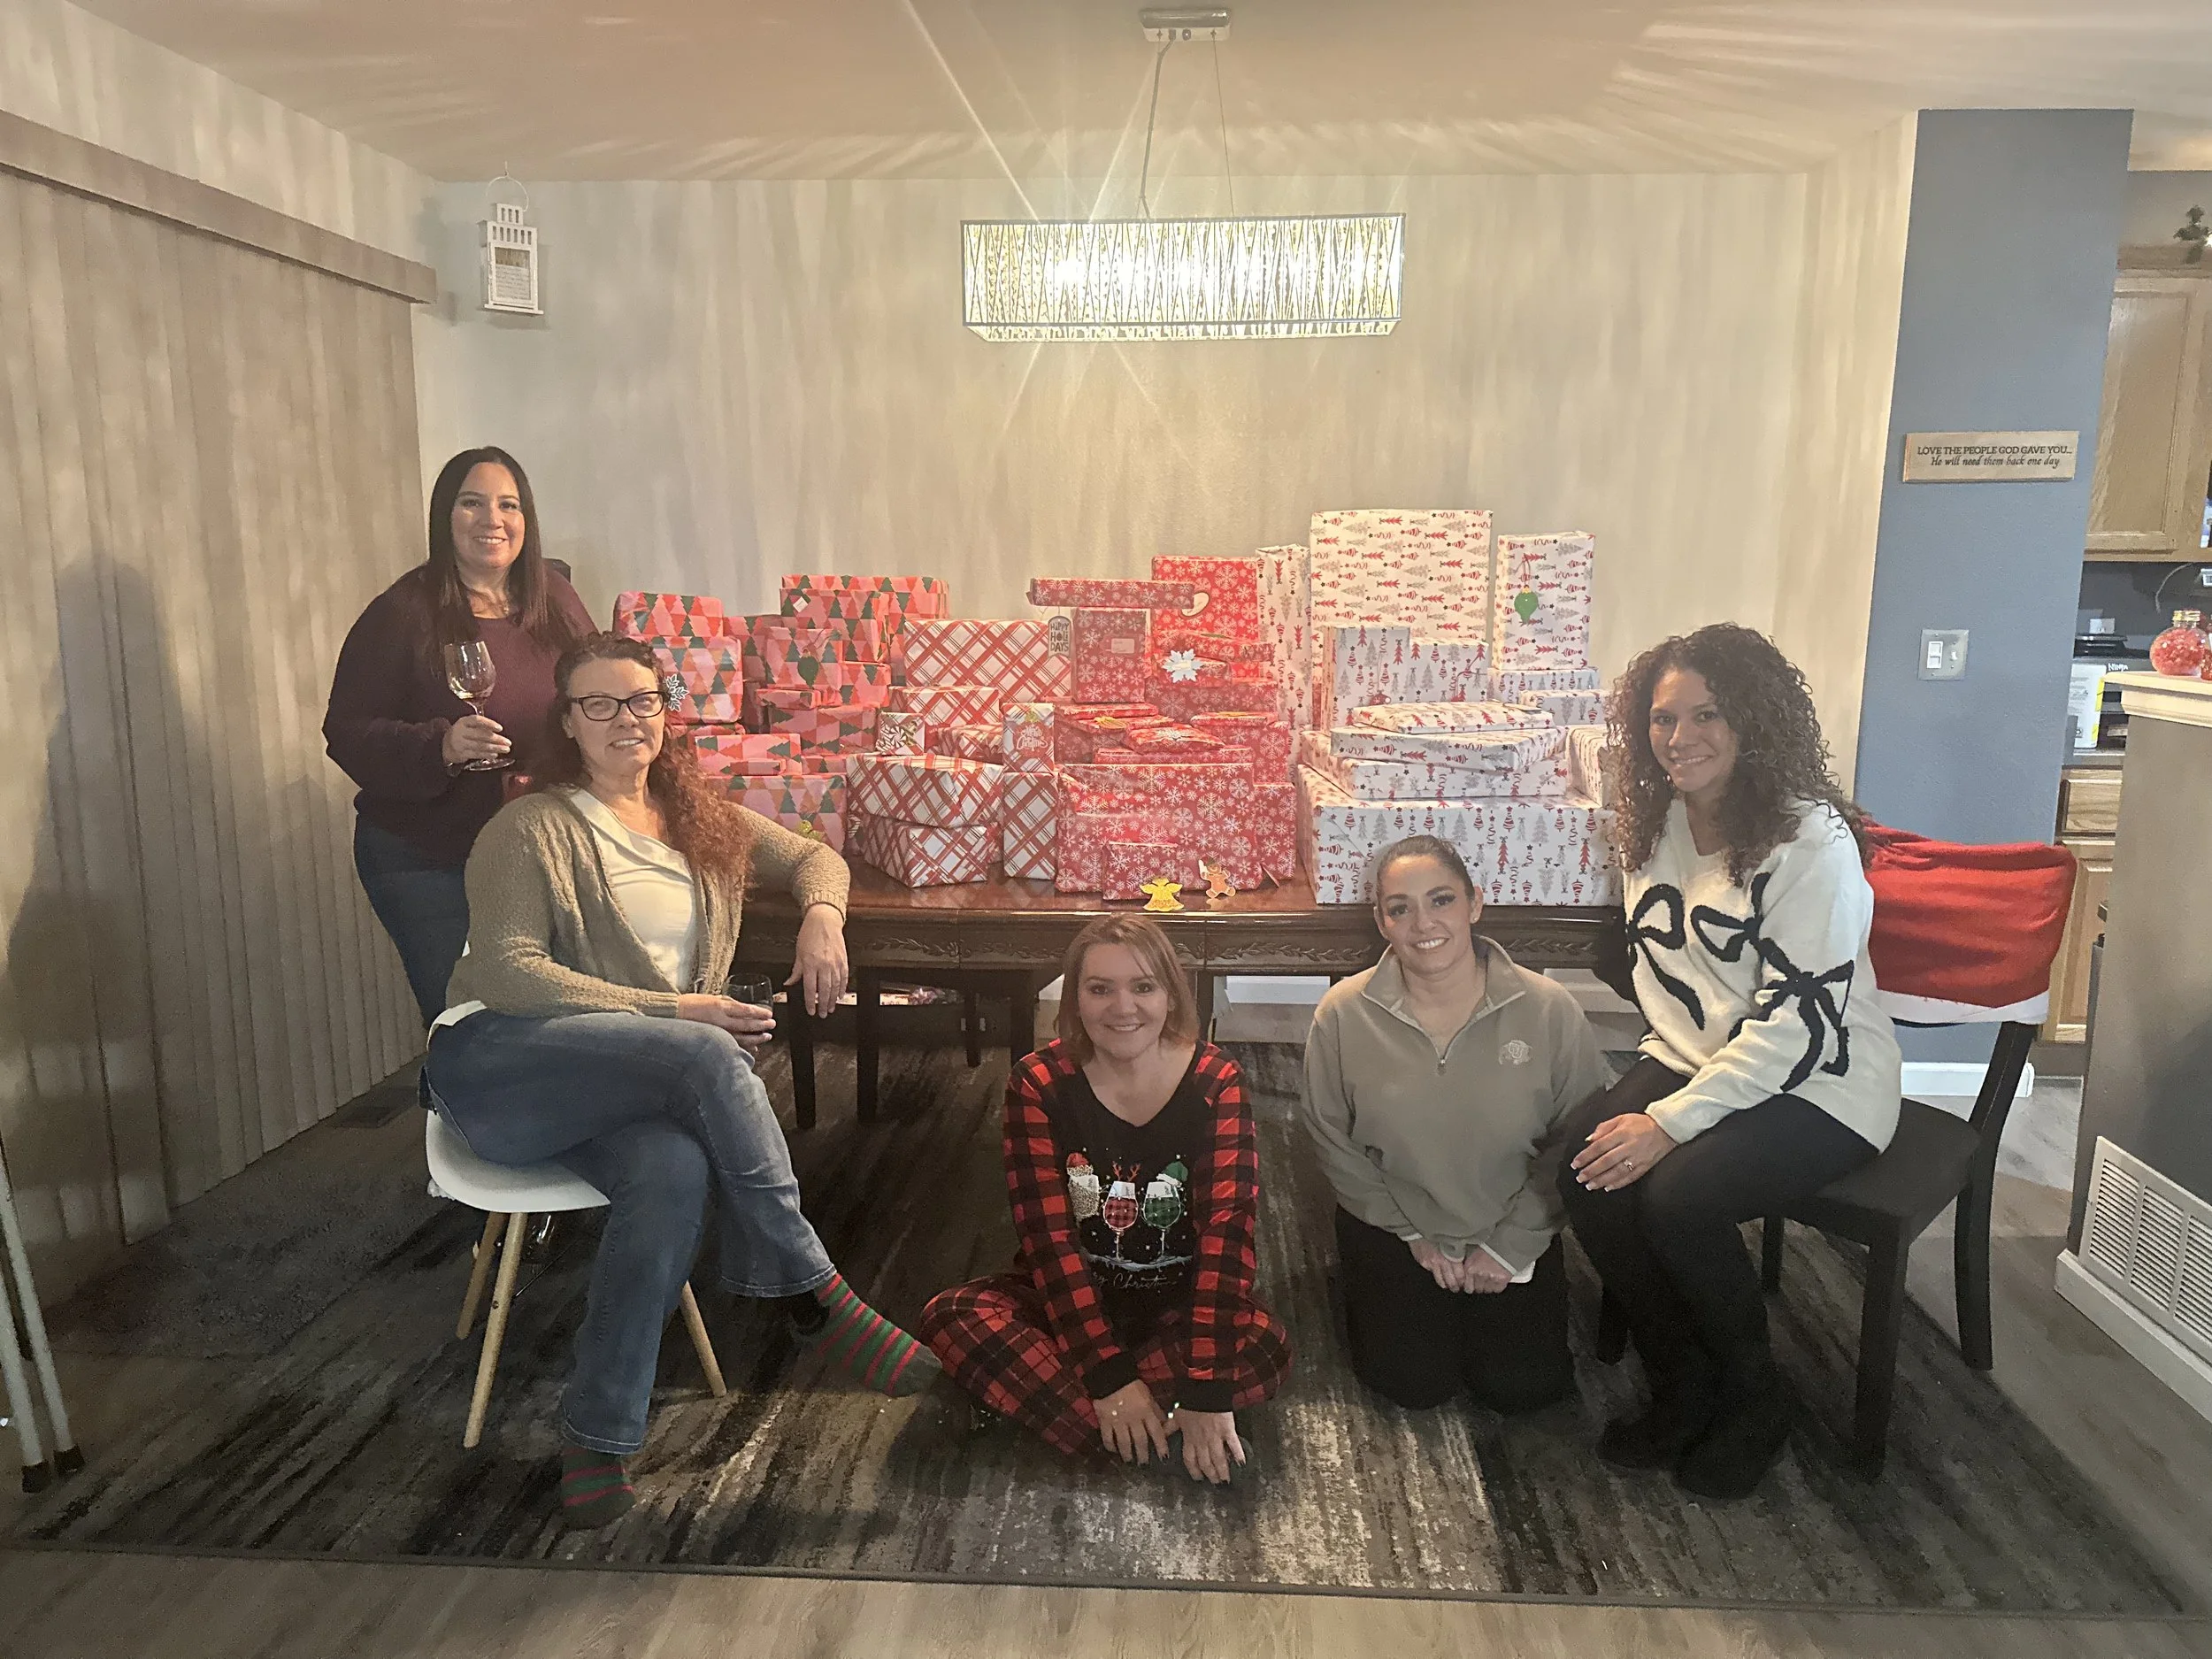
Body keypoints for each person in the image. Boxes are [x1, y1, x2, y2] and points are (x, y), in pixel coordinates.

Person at [423, 633, 938, 1530]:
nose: (626, 719)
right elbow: (505, 973)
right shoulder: (530, 826)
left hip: (625, 1081)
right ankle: (817, 1293)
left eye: (642, 700)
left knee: (671, 1173)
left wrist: (822, 920)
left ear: (666, 712)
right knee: (705, 1052)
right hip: (500, 1065)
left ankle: (596, 1434)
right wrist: (671, 1013)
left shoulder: (700, 817)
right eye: (600, 704)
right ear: (568, 722)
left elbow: (817, 856)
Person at [1557, 622, 1900, 1501]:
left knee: (1676, 1198)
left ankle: (1755, 1398)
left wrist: (1668, 1122)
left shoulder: (1807, 840)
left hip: (1822, 1077)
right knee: (1580, 1167)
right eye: (1662, 719)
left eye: (1705, 714)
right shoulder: (1656, 821)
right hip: (1698, 1056)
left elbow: (1795, 1027)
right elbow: (1669, 976)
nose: (1680, 738)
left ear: (1754, 719)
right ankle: (1684, 1378)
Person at [919, 916, 1292, 1484]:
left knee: (1266, 1343)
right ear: (1074, 999)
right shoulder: (1037, 1082)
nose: (1124, 1008)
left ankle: (1097, 1421)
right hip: (1068, 1303)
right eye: (1100, 989)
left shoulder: (1217, 1079)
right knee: (952, 1318)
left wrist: (1209, 1385)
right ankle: (1144, 1419)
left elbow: (1228, 1235)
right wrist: (1108, 1376)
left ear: (1172, 994)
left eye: (1143, 986)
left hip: (1177, 1302)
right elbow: (1046, 1242)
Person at [1302, 835, 1612, 1416]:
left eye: (1441, 899)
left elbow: (1576, 1138)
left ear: (1475, 903)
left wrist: (1513, 1243)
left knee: (1522, 1389)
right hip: (1397, 1228)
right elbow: (1328, 1134)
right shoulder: (1342, 1013)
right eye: (1400, 907)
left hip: (1511, 1224)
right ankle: (1370, 1281)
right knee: (1414, 1385)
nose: (1423, 922)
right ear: (1382, 921)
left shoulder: (1549, 1009)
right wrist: (1411, 1236)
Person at [326, 447, 592, 1025]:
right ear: (446, 515)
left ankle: (513, 1116)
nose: (492, 519)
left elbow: (597, 684)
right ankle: (456, 1115)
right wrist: (440, 746)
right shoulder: (403, 612)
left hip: (530, 852)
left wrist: (663, 697)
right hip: (426, 858)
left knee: (544, 1017)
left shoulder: (555, 599)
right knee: (469, 1022)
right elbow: (345, 730)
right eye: (472, 503)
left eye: (507, 504)